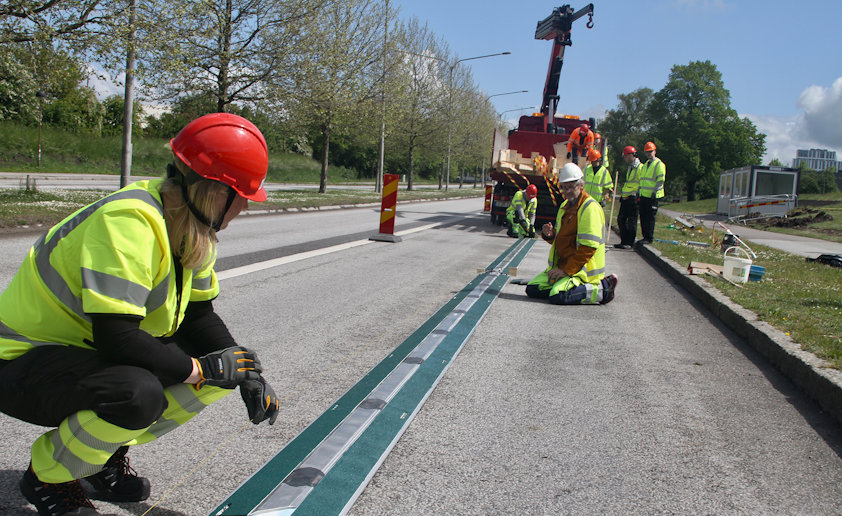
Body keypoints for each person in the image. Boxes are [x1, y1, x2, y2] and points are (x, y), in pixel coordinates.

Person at [0, 113, 281, 516]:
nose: (243, 210)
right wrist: (200, 370)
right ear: (217, 193)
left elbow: (199, 316)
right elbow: (117, 337)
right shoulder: (129, 221)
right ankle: (49, 477)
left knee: (228, 366)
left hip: (79, 352)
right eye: (243, 199)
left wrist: (248, 373)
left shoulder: (190, 226)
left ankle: (97, 457)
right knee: (138, 394)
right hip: (20, 362)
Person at [526, 163, 618, 305]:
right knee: (532, 289)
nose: (567, 191)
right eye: (564, 187)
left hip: (582, 271)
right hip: (565, 266)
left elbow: (588, 248)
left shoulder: (589, 208)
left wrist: (567, 271)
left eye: (571, 187)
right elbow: (563, 239)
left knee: (559, 297)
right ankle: (567, 285)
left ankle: (603, 289)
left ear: (581, 186)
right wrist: (550, 235)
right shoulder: (564, 206)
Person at [636, 141, 666, 245]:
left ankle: (649, 238)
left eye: (650, 151)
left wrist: (654, 191)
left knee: (650, 218)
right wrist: (639, 191)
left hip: (653, 196)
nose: (649, 153)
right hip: (644, 195)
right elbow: (642, 180)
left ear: (655, 151)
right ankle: (645, 237)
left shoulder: (659, 164)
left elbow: (660, 180)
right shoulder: (645, 165)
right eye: (647, 152)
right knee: (643, 217)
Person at [614, 145, 642, 249]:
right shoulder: (630, 168)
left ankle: (629, 243)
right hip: (626, 197)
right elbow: (628, 183)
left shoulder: (640, 168)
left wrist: (638, 197)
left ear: (631, 155)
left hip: (633, 197)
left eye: (626, 156)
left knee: (631, 221)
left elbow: (640, 184)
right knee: (621, 219)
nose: (625, 159)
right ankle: (624, 241)